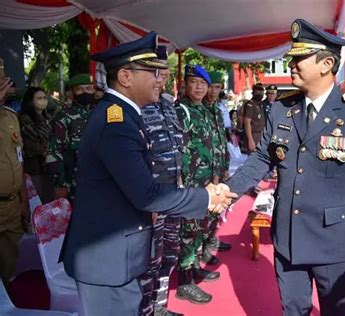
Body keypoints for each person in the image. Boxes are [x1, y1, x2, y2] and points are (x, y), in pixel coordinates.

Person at [225, 19, 345, 316]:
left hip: (334, 244)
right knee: (292, 311)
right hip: (289, 238)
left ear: (326, 64)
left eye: (299, 58)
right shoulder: (282, 108)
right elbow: (262, 157)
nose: (292, 64)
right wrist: (226, 191)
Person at [59, 32, 236, 316]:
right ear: (126, 77)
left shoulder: (125, 114)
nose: (160, 78)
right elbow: (145, 193)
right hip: (106, 260)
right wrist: (205, 199)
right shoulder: (115, 121)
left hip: (117, 254)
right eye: (152, 71)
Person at [139, 45, 184, 316]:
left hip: (173, 195)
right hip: (152, 199)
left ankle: (160, 306)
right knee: (149, 262)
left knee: (170, 254)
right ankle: (145, 311)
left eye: (164, 70)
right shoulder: (137, 108)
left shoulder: (168, 105)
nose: (161, 76)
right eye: (155, 71)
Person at [174, 65, 221, 304]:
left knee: (200, 229)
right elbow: (176, 149)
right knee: (188, 231)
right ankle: (184, 282)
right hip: (190, 183)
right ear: (185, 85)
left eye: (204, 83)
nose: (200, 87)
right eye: (194, 82)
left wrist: (215, 176)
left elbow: (211, 145)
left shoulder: (204, 109)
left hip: (205, 182)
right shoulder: (180, 110)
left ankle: (193, 269)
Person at [46, 73, 95, 203]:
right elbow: (54, 152)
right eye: (80, 89)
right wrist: (60, 184)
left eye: (89, 89)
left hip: (99, 180)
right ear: (71, 93)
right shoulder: (63, 118)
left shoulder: (99, 113)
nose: (86, 92)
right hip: (75, 183)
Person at [0, 77, 28, 289]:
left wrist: (23, 199)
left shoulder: (10, 116)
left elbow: (19, 158)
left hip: (11, 208)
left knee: (14, 271)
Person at [202, 71, 232, 259]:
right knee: (205, 211)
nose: (214, 91)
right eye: (211, 87)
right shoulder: (201, 108)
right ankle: (203, 248)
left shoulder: (216, 108)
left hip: (218, 167)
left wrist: (225, 166)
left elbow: (221, 141)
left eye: (218, 87)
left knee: (217, 208)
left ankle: (211, 238)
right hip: (204, 169)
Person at [18, 87, 54, 203]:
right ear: (31, 101)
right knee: (36, 201)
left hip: (48, 166)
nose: (43, 100)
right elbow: (34, 142)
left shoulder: (48, 118)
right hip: (34, 166)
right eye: (39, 98)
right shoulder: (24, 119)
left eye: (44, 98)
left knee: (48, 200)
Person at [243, 83, 266, 152]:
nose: (260, 93)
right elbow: (247, 122)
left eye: (261, 91)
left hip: (262, 134)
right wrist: (250, 140)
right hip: (254, 135)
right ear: (253, 92)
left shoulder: (261, 104)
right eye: (257, 91)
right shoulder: (250, 105)